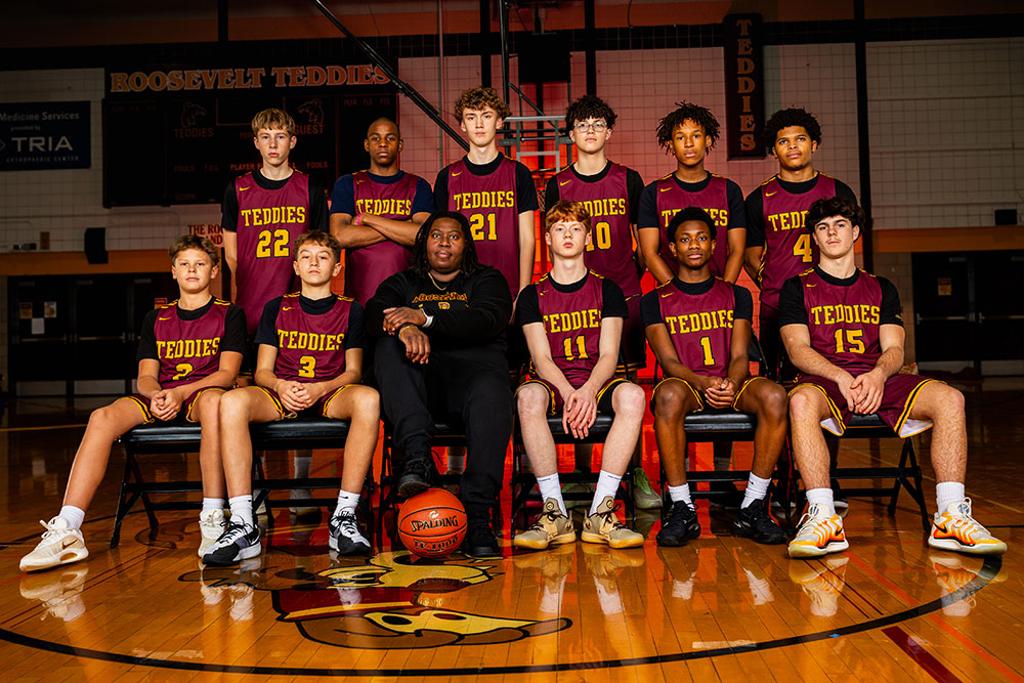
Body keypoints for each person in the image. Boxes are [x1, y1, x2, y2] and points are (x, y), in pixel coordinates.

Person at [781, 197, 1006, 558]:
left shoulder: (881, 287)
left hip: (877, 376)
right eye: (822, 228)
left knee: (951, 398)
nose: (832, 233)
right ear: (814, 239)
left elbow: (895, 349)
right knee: (800, 399)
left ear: (855, 232)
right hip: (826, 379)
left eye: (840, 225)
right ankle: (823, 516)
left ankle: (949, 515)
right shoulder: (797, 288)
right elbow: (797, 349)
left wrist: (878, 375)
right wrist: (839, 376)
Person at [20, 236, 245, 572]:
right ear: (173, 272)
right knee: (102, 416)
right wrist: (155, 394)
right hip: (162, 397)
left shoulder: (230, 314)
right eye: (184, 264)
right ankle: (68, 529)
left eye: (200, 263)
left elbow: (227, 375)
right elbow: (145, 376)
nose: (192, 270)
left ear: (214, 271)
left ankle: (212, 516)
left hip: (199, 395)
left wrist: (182, 393)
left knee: (215, 401)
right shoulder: (156, 318)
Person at [202, 232, 379, 565]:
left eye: (323, 256)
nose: (314, 262)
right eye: (307, 256)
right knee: (232, 401)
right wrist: (282, 386)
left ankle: (343, 517)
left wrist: (320, 388)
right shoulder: (276, 307)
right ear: (296, 266)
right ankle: (243, 522)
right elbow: (263, 372)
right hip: (282, 393)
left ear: (337, 267)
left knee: (368, 398)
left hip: (329, 392)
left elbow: (353, 371)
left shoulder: (351, 309)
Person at [367, 212, 513, 558]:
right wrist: (403, 329)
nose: (444, 243)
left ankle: (477, 514)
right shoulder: (404, 283)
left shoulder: (487, 280)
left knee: (495, 392)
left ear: (466, 245)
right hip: (419, 390)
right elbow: (374, 312)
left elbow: (487, 319)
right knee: (387, 346)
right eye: (436, 235)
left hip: (472, 387)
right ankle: (417, 460)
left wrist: (424, 318)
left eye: (454, 236)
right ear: (423, 242)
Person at [642, 208, 788, 547]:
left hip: (730, 382)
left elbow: (739, 355)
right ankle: (682, 506)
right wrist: (703, 383)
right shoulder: (655, 301)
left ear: (713, 247)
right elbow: (668, 361)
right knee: (666, 395)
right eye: (685, 239)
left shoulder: (736, 294)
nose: (694, 245)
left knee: (775, 395)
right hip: (688, 385)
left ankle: (753, 504)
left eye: (702, 237)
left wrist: (731, 384)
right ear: (673, 250)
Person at [513, 201, 647, 552]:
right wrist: (570, 392)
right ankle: (554, 513)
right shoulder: (532, 295)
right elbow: (540, 358)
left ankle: (601, 512)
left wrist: (587, 390)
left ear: (588, 237)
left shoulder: (608, 290)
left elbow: (608, 354)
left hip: (596, 380)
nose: (568, 235)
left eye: (575, 228)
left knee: (634, 395)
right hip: (555, 382)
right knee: (528, 396)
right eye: (560, 228)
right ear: (547, 238)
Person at [544, 96, 655, 509]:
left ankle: (635, 470)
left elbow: (643, 242)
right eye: (582, 125)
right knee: (578, 381)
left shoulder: (629, 179)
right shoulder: (558, 184)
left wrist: (631, 274)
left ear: (609, 132)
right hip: (573, 300)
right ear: (571, 134)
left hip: (622, 294)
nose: (590, 131)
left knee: (624, 386)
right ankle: (581, 472)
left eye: (598, 124)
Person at [221, 107, 329, 504]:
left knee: (302, 390)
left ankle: (300, 482)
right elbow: (232, 259)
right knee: (251, 399)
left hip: (298, 311)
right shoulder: (238, 189)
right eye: (265, 137)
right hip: (251, 310)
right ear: (256, 142)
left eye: (280, 136)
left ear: (292, 141)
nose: (272, 144)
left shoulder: (310, 189)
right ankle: (257, 486)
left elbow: (322, 249)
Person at [743, 107, 857, 381]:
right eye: (783, 141)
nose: (792, 146)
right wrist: (775, 284)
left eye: (800, 139)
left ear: (814, 144)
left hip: (829, 304)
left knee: (829, 378)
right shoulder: (760, 198)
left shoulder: (837, 190)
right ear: (774, 151)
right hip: (777, 304)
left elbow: (848, 244)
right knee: (775, 383)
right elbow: (750, 256)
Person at [433, 86, 538, 300]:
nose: (479, 124)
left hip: (508, 289)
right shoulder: (447, 177)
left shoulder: (518, 173)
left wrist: (524, 291)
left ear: (499, 121)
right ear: (462, 125)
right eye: (471, 117)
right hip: (460, 291)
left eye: (486, 116)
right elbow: (438, 241)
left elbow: (528, 238)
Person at [638, 101, 747, 285]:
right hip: (671, 301)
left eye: (696, 136)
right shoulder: (653, 193)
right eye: (680, 138)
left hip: (719, 296)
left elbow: (737, 250)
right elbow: (649, 254)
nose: (689, 144)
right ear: (671, 145)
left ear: (708, 140)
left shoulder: (729, 190)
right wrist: (679, 295)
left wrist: (724, 291)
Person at [329, 117, 434, 306]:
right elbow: (339, 236)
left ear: (400, 145)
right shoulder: (348, 184)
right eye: (376, 138)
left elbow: (423, 236)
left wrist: (367, 218)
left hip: (409, 299)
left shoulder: (418, 185)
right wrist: (403, 227)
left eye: (390, 138)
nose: (383, 143)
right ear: (366, 145)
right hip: (360, 297)